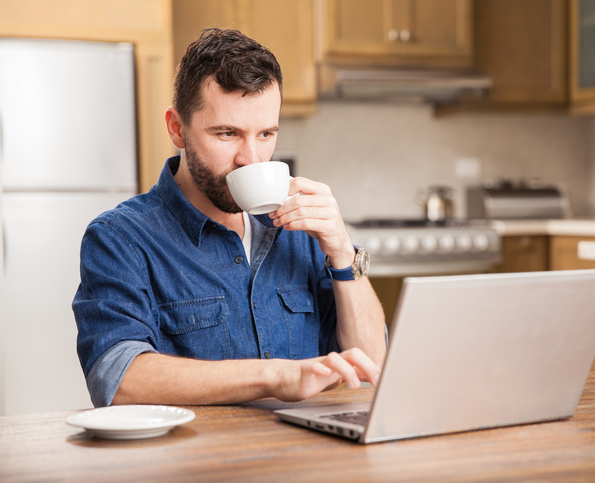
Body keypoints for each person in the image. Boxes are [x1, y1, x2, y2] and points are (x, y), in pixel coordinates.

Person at [72, 28, 387, 408]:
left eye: (266, 133)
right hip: (200, 463)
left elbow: (371, 366)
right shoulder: (121, 237)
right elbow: (118, 379)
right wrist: (275, 376)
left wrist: (342, 255)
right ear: (178, 129)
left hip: (306, 458)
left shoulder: (303, 229)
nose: (251, 158)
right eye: (227, 134)